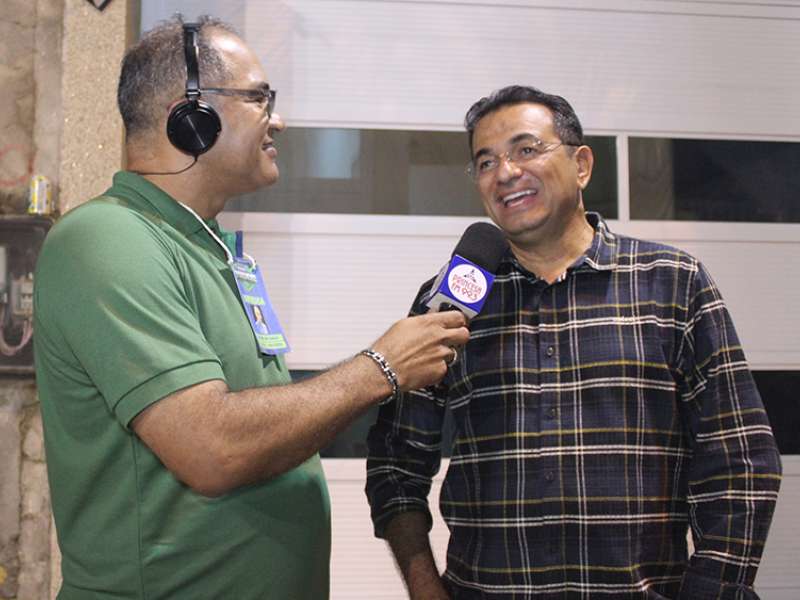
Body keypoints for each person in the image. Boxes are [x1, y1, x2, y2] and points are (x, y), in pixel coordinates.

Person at [33, 16, 468, 600]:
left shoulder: (207, 245)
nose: (277, 120)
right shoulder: (109, 238)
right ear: (191, 117)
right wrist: (381, 367)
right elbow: (212, 448)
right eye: (259, 98)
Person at [365, 85, 782, 600]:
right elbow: (395, 464)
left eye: (526, 149)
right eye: (486, 162)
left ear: (581, 165)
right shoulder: (449, 306)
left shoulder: (672, 282)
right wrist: (425, 588)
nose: (505, 173)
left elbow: (742, 464)